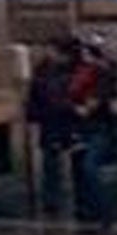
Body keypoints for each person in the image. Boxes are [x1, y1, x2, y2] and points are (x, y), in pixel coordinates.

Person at [64, 36, 114, 230]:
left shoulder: (103, 73)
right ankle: (88, 210)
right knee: (80, 168)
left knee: (89, 168)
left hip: (98, 128)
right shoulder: (80, 73)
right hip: (81, 129)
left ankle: (104, 211)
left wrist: (77, 107)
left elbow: (93, 104)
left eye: (87, 52)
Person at [25, 34, 78, 215]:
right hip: (50, 119)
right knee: (51, 160)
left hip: (67, 118)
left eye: (51, 49)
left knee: (75, 156)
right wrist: (33, 115)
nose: (48, 52)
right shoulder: (42, 69)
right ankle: (51, 198)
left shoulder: (73, 69)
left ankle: (80, 194)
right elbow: (35, 92)